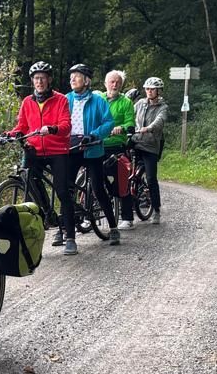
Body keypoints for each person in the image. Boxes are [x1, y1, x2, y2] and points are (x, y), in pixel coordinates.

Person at [0, 61, 76, 254]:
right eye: (36, 78)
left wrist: (53, 129)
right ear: (32, 81)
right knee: (27, 180)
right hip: (34, 149)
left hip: (57, 150)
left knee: (62, 191)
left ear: (49, 80)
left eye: (43, 78)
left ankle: (70, 236)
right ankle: (48, 213)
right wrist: (5, 135)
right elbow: (21, 128)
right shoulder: (27, 102)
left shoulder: (61, 99)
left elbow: (66, 126)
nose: (39, 82)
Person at [65, 64, 118, 245]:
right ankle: (65, 229)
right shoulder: (66, 99)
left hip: (93, 149)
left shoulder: (98, 100)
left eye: (77, 76)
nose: (72, 79)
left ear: (86, 81)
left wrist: (94, 134)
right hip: (72, 149)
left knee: (97, 188)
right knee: (67, 189)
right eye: (71, 76)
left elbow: (109, 122)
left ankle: (113, 227)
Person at [101, 70, 137, 230]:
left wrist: (121, 128)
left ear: (121, 85)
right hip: (98, 144)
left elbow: (130, 122)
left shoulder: (126, 102)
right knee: (92, 176)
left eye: (118, 82)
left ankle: (127, 217)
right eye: (112, 81)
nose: (114, 84)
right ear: (105, 83)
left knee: (121, 180)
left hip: (116, 145)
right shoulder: (98, 99)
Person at [133, 78, 168, 225]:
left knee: (151, 178)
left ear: (158, 91)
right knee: (127, 173)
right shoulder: (140, 104)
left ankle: (156, 210)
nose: (149, 91)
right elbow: (130, 115)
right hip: (135, 141)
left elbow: (160, 120)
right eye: (147, 89)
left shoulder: (163, 107)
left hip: (151, 145)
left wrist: (149, 128)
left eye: (152, 89)